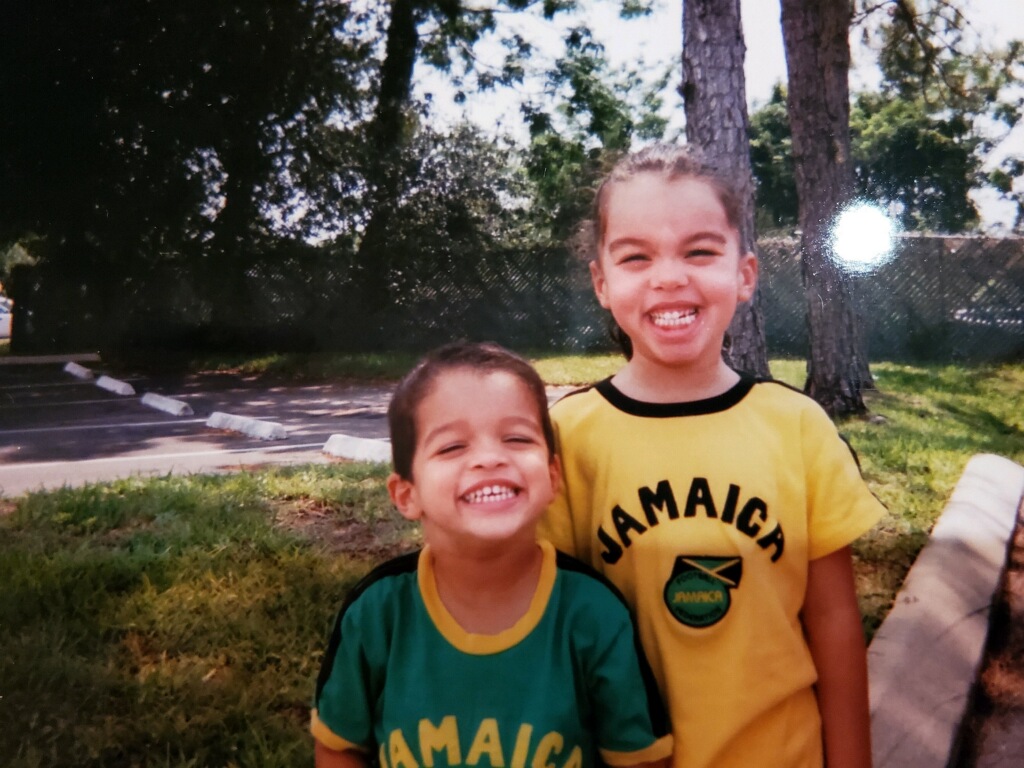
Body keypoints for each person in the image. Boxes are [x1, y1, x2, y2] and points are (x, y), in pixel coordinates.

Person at [539, 145, 885, 768]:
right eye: (635, 257)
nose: (669, 277)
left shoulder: (798, 428)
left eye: (700, 251)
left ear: (744, 274)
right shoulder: (569, 436)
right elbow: (547, 633)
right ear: (601, 283)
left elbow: (834, 622)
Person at [311, 341, 673, 768]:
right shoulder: (377, 614)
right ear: (406, 494)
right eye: (451, 447)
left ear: (553, 476)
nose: (489, 458)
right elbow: (339, 748)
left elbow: (641, 760)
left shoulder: (593, 615)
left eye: (517, 438)